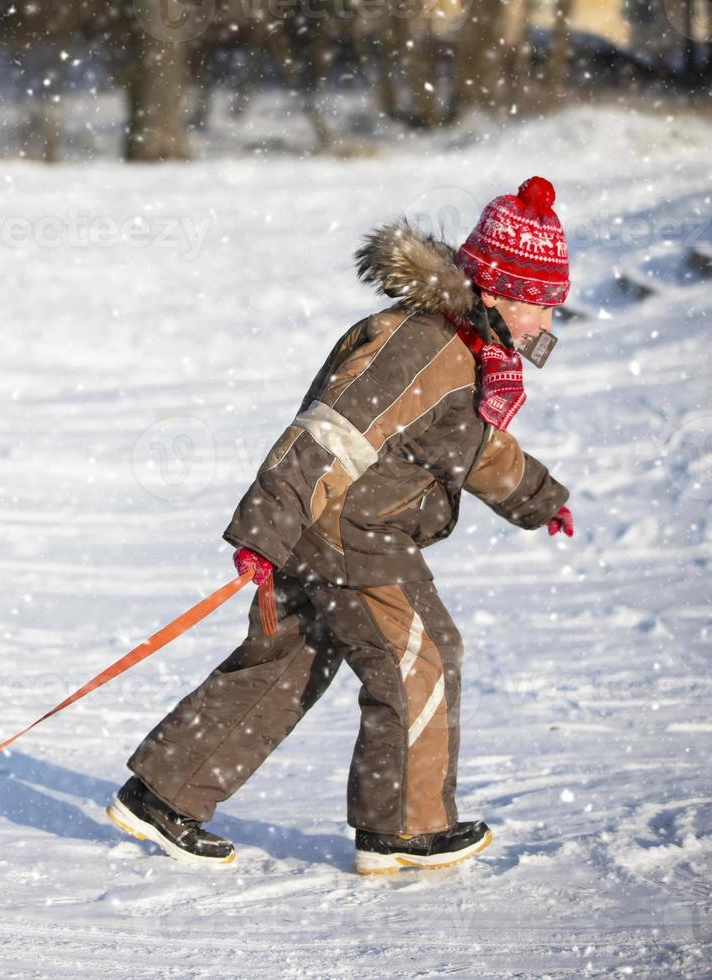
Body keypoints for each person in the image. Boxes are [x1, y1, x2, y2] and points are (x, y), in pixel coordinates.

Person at [108, 177, 575, 875]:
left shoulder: (464, 348)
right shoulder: (418, 348)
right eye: (539, 303)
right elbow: (326, 435)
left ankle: (164, 795)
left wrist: (539, 497)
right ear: (498, 288)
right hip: (352, 532)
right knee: (421, 654)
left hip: (336, 527)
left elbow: (467, 446)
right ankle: (403, 829)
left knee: (290, 661)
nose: (544, 322)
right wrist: (264, 534)